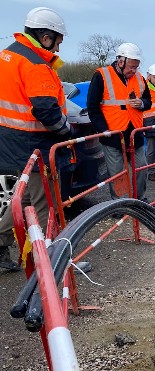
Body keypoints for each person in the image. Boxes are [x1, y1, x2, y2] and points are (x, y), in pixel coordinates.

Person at [0, 7, 78, 271]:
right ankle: (53, 261)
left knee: (22, 200)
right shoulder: (35, 64)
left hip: (12, 142)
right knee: (46, 206)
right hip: (34, 144)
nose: (58, 48)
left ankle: (0, 244)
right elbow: (46, 110)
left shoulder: (8, 55)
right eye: (58, 41)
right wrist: (67, 132)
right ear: (46, 37)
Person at [87, 42, 151, 201]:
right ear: (120, 61)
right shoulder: (102, 75)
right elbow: (92, 107)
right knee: (117, 172)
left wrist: (142, 103)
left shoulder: (140, 78)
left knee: (141, 167)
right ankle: (120, 203)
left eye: (136, 67)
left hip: (135, 132)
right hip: (113, 134)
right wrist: (103, 129)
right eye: (131, 67)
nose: (134, 70)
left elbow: (148, 100)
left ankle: (140, 200)